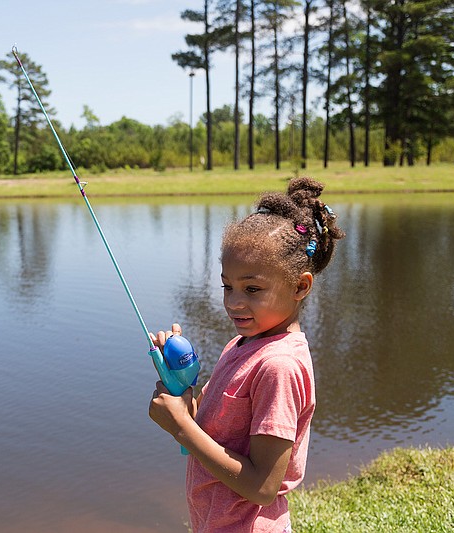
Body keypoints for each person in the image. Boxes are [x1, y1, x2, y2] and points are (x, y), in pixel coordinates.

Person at [148, 177, 345, 532]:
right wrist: (181, 388)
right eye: (228, 286)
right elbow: (208, 427)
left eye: (252, 289)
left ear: (300, 286)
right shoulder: (242, 345)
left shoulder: (278, 367)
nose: (233, 302)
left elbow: (262, 488)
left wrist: (179, 428)